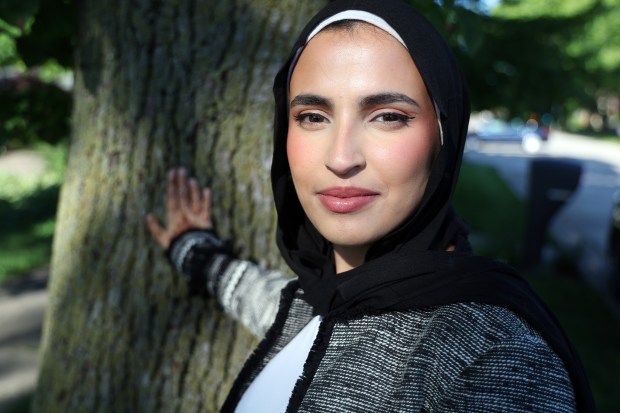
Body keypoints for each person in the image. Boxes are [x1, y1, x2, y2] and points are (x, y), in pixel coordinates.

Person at [146, 1, 596, 412]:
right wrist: (194, 249)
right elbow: (269, 302)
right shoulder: (321, 298)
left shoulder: (493, 357)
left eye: (387, 116)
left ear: (445, 137)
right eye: (312, 117)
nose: (341, 158)